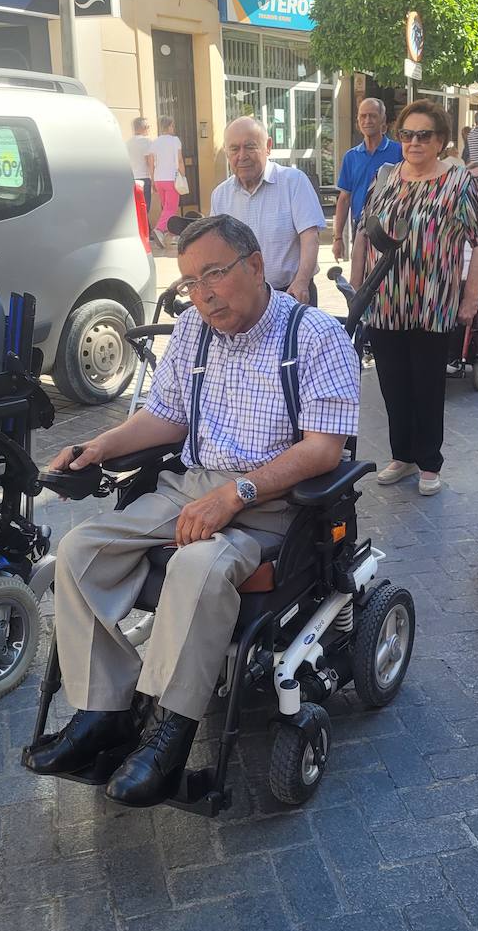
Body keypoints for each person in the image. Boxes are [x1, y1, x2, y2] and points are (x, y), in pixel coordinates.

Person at [23, 215, 359, 806]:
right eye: (190, 282)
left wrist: (237, 494)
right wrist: (100, 445)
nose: (202, 294)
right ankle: (103, 711)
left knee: (195, 567)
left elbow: (323, 447)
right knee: (78, 552)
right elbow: (167, 417)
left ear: (255, 265)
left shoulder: (314, 336)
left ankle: (167, 734)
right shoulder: (192, 334)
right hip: (192, 485)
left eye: (215, 275)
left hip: (274, 503)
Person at [350, 99, 478, 497]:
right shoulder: (386, 177)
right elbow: (363, 232)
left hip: (434, 302)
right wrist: (357, 286)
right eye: (407, 134)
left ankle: (429, 461)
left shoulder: (457, 182)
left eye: (423, 135)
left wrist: (471, 297)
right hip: (385, 300)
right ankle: (402, 454)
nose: (414, 142)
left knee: (427, 384)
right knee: (393, 383)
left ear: (441, 140)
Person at [210, 117, 326, 305]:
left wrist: (302, 281)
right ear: (226, 152)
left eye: (250, 146)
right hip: (242, 300)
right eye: (234, 149)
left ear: (268, 146)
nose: (242, 156)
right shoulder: (220, 195)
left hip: (290, 294)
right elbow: (214, 250)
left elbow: (310, 237)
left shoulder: (294, 182)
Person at [332, 98, 404, 263]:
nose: (367, 120)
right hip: (361, 230)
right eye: (363, 116)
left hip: (390, 229)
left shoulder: (399, 152)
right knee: (360, 283)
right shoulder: (351, 157)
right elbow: (344, 199)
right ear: (357, 121)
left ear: (383, 120)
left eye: (372, 116)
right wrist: (337, 239)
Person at [150, 115, 185, 247]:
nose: (173, 128)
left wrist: (152, 179)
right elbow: (180, 160)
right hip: (172, 178)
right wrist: (183, 176)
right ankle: (159, 229)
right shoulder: (175, 140)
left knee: (166, 208)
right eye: (172, 125)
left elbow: (151, 163)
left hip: (159, 179)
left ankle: (169, 234)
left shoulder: (155, 142)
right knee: (171, 208)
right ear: (170, 126)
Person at [126, 116, 154, 214]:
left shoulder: (127, 143)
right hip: (144, 178)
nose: (149, 129)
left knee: (136, 208)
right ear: (144, 127)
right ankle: (145, 229)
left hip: (132, 179)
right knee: (145, 207)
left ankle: (142, 228)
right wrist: (153, 179)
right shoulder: (147, 142)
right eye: (148, 126)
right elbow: (149, 162)